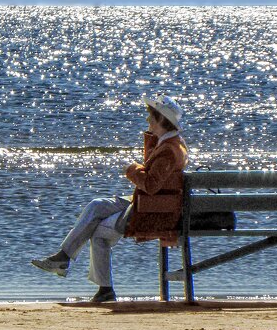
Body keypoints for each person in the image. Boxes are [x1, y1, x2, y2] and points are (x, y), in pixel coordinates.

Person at [31, 95, 188, 302]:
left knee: (97, 232)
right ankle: (65, 259)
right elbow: (155, 179)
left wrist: (132, 170)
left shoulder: (169, 150)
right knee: (97, 205)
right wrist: (151, 141)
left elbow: (150, 185)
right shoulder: (170, 143)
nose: (148, 121)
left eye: (151, 117)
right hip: (149, 204)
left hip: (151, 211)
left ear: (161, 121)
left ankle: (97, 283)